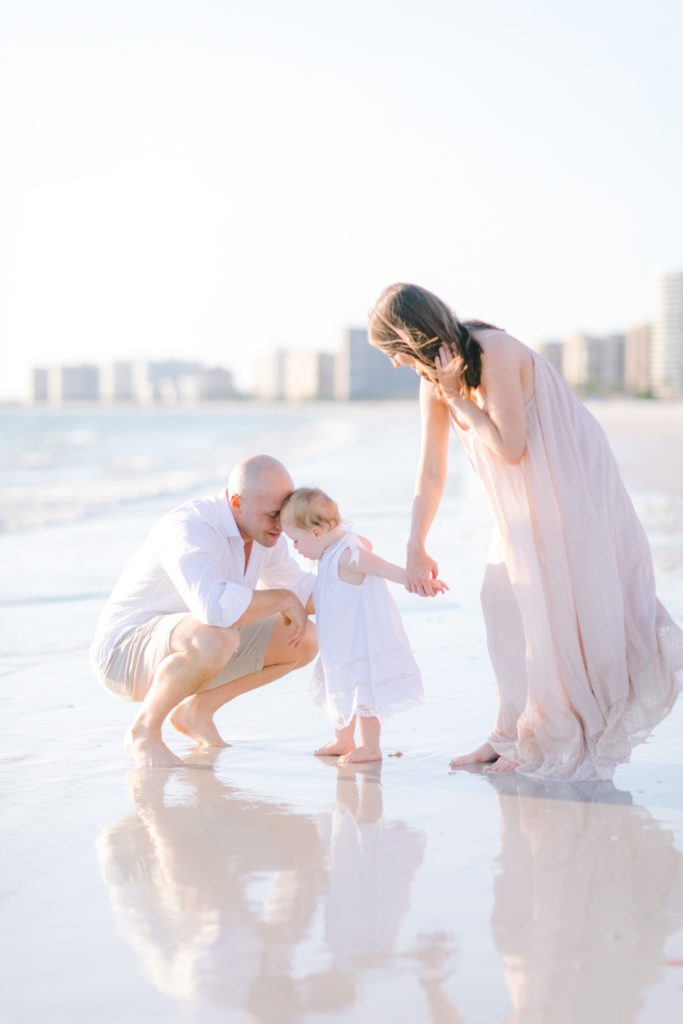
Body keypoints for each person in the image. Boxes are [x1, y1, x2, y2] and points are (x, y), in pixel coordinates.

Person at [368, 282, 683, 780]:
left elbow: (511, 447)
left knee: (547, 606)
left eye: (392, 351)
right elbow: (431, 470)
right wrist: (415, 542)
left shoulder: (493, 353)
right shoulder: (433, 380)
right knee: (503, 602)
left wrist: (459, 399)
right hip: (524, 496)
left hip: (569, 479)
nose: (393, 363)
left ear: (411, 336)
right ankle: (508, 735)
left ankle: (555, 733)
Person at [90, 455, 317, 768]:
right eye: (273, 515)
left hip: (199, 641)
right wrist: (281, 598)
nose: (282, 524)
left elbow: (301, 592)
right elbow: (212, 607)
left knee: (305, 638)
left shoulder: (266, 533)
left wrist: (354, 577)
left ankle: (196, 712)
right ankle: (143, 731)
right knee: (217, 636)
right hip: (124, 655)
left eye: (285, 512)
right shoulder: (191, 526)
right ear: (237, 502)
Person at [279, 487, 446, 764]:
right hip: (339, 640)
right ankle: (344, 739)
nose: (294, 548)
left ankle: (370, 747)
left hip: (359, 640)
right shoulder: (332, 551)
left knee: (364, 694)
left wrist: (419, 581)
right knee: (339, 686)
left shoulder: (347, 555)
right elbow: (365, 541)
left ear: (317, 532)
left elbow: (384, 568)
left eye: (295, 541)